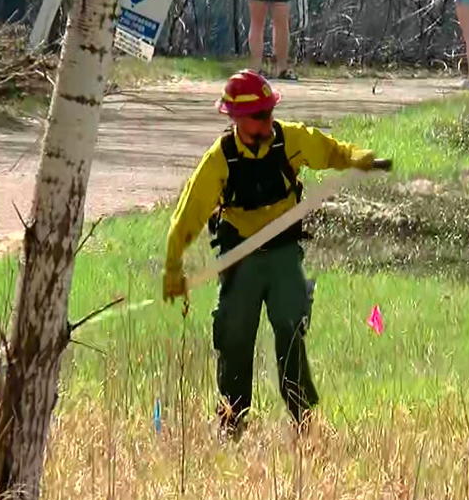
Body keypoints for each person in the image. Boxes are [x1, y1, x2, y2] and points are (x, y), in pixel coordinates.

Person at [162, 70, 388, 439]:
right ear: (235, 118)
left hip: (284, 252)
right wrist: (174, 268)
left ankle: (303, 419)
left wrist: (360, 158)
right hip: (239, 257)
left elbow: (332, 151)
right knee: (234, 333)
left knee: (290, 326)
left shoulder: (292, 139)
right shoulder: (220, 159)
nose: (268, 121)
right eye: (259, 116)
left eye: (270, 112)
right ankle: (232, 418)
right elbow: (187, 215)